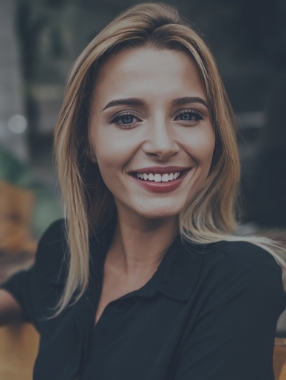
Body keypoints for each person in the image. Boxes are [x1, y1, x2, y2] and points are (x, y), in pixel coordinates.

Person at [0, 3, 285, 379]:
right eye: (126, 118)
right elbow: (20, 293)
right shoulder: (66, 251)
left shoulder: (239, 278)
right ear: (87, 141)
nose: (163, 144)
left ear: (214, 135)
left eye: (187, 115)